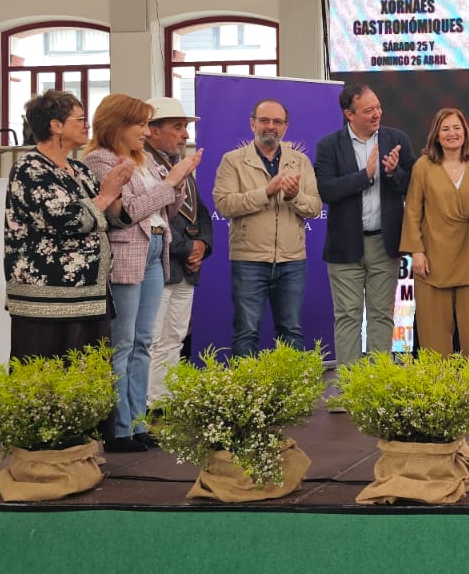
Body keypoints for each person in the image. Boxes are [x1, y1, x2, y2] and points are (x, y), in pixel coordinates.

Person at [84, 94, 203, 452]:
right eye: (139, 124)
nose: (145, 132)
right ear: (117, 125)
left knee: (143, 342)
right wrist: (170, 183)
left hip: (154, 249)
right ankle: (119, 428)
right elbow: (126, 212)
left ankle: (137, 423)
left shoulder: (144, 159)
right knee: (122, 343)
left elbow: (168, 210)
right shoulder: (99, 159)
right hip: (127, 252)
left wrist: (177, 183)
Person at [4, 89, 132, 360]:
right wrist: (105, 195)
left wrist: (117, 187)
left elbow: (110, 218)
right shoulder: (30, 168)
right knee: (45, 375)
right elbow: (65, 219)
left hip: (90, 295)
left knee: (91, 375)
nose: (87, 125)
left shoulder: (80, 170)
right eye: (80, 119)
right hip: (47, 298)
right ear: (56, 126)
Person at [212, 98, 321, 358]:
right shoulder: (233, 161)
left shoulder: (300, 161)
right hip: (249, 260)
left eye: (277, 121)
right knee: (246, 332)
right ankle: (247, 384)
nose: (271, 126)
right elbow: (224, 204)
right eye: (264, 120)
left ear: (285, 127)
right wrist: (266, 192)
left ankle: (293, 385)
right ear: (252, 124)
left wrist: (294, 196)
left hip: (292, 260)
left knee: (291, 330)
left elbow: (315, 207)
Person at [315, 84, 414, 366]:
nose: (377, 114)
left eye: (378, 107)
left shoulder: (397, 139)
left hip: (384, 242)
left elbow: (413, 185)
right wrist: (365, 174)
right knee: (348, 315)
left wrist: (393, 172)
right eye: (369, 110)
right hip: (345, 245)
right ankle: (349, 385)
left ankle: (376, 382)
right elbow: (326, 191)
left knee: (382, 314)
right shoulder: (329, 145)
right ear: (349, 114)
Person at [400, 107, 469, 362]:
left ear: (465, 132)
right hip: (432, 261)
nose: (452, 133)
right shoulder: (423, 166)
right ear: (436, 135)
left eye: (457, 128)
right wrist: (416, 252)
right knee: (433, 337)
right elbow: (413, 211)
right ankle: (439, 388)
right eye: (445, 129)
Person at [144, 97, 212, 402]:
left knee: (175, 337)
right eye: (177, 127)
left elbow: (201, 213)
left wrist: (203, 245)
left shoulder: (179, 164)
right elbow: (153, 216)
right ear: (153, 130)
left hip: (185, 267)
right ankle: (145, 403)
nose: (185, 134)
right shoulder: (144, 164)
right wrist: (188, 249)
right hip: (161, 264)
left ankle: (163, 400)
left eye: (185, 127)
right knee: (153, 337)